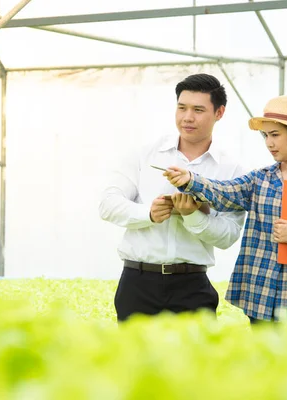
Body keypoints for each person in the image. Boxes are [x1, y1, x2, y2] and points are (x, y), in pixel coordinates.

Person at [163, 95, 287, 330]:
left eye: (275, 135)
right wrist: (190, 179)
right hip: (262, 302)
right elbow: (224, 192)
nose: (269, 143)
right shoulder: (260, 179)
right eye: (266, 136)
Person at [98, 73, 247, 322]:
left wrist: (193, 217)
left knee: (193, 361)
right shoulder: (145, 155)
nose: (187, 117)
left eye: (198, 109)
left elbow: (228, 236)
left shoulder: (231, 170)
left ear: (219, 113)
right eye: (182, 108)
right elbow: (108, 204)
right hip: (138, 283)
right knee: (135, 360)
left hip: (193, 287)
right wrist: (149, 213)